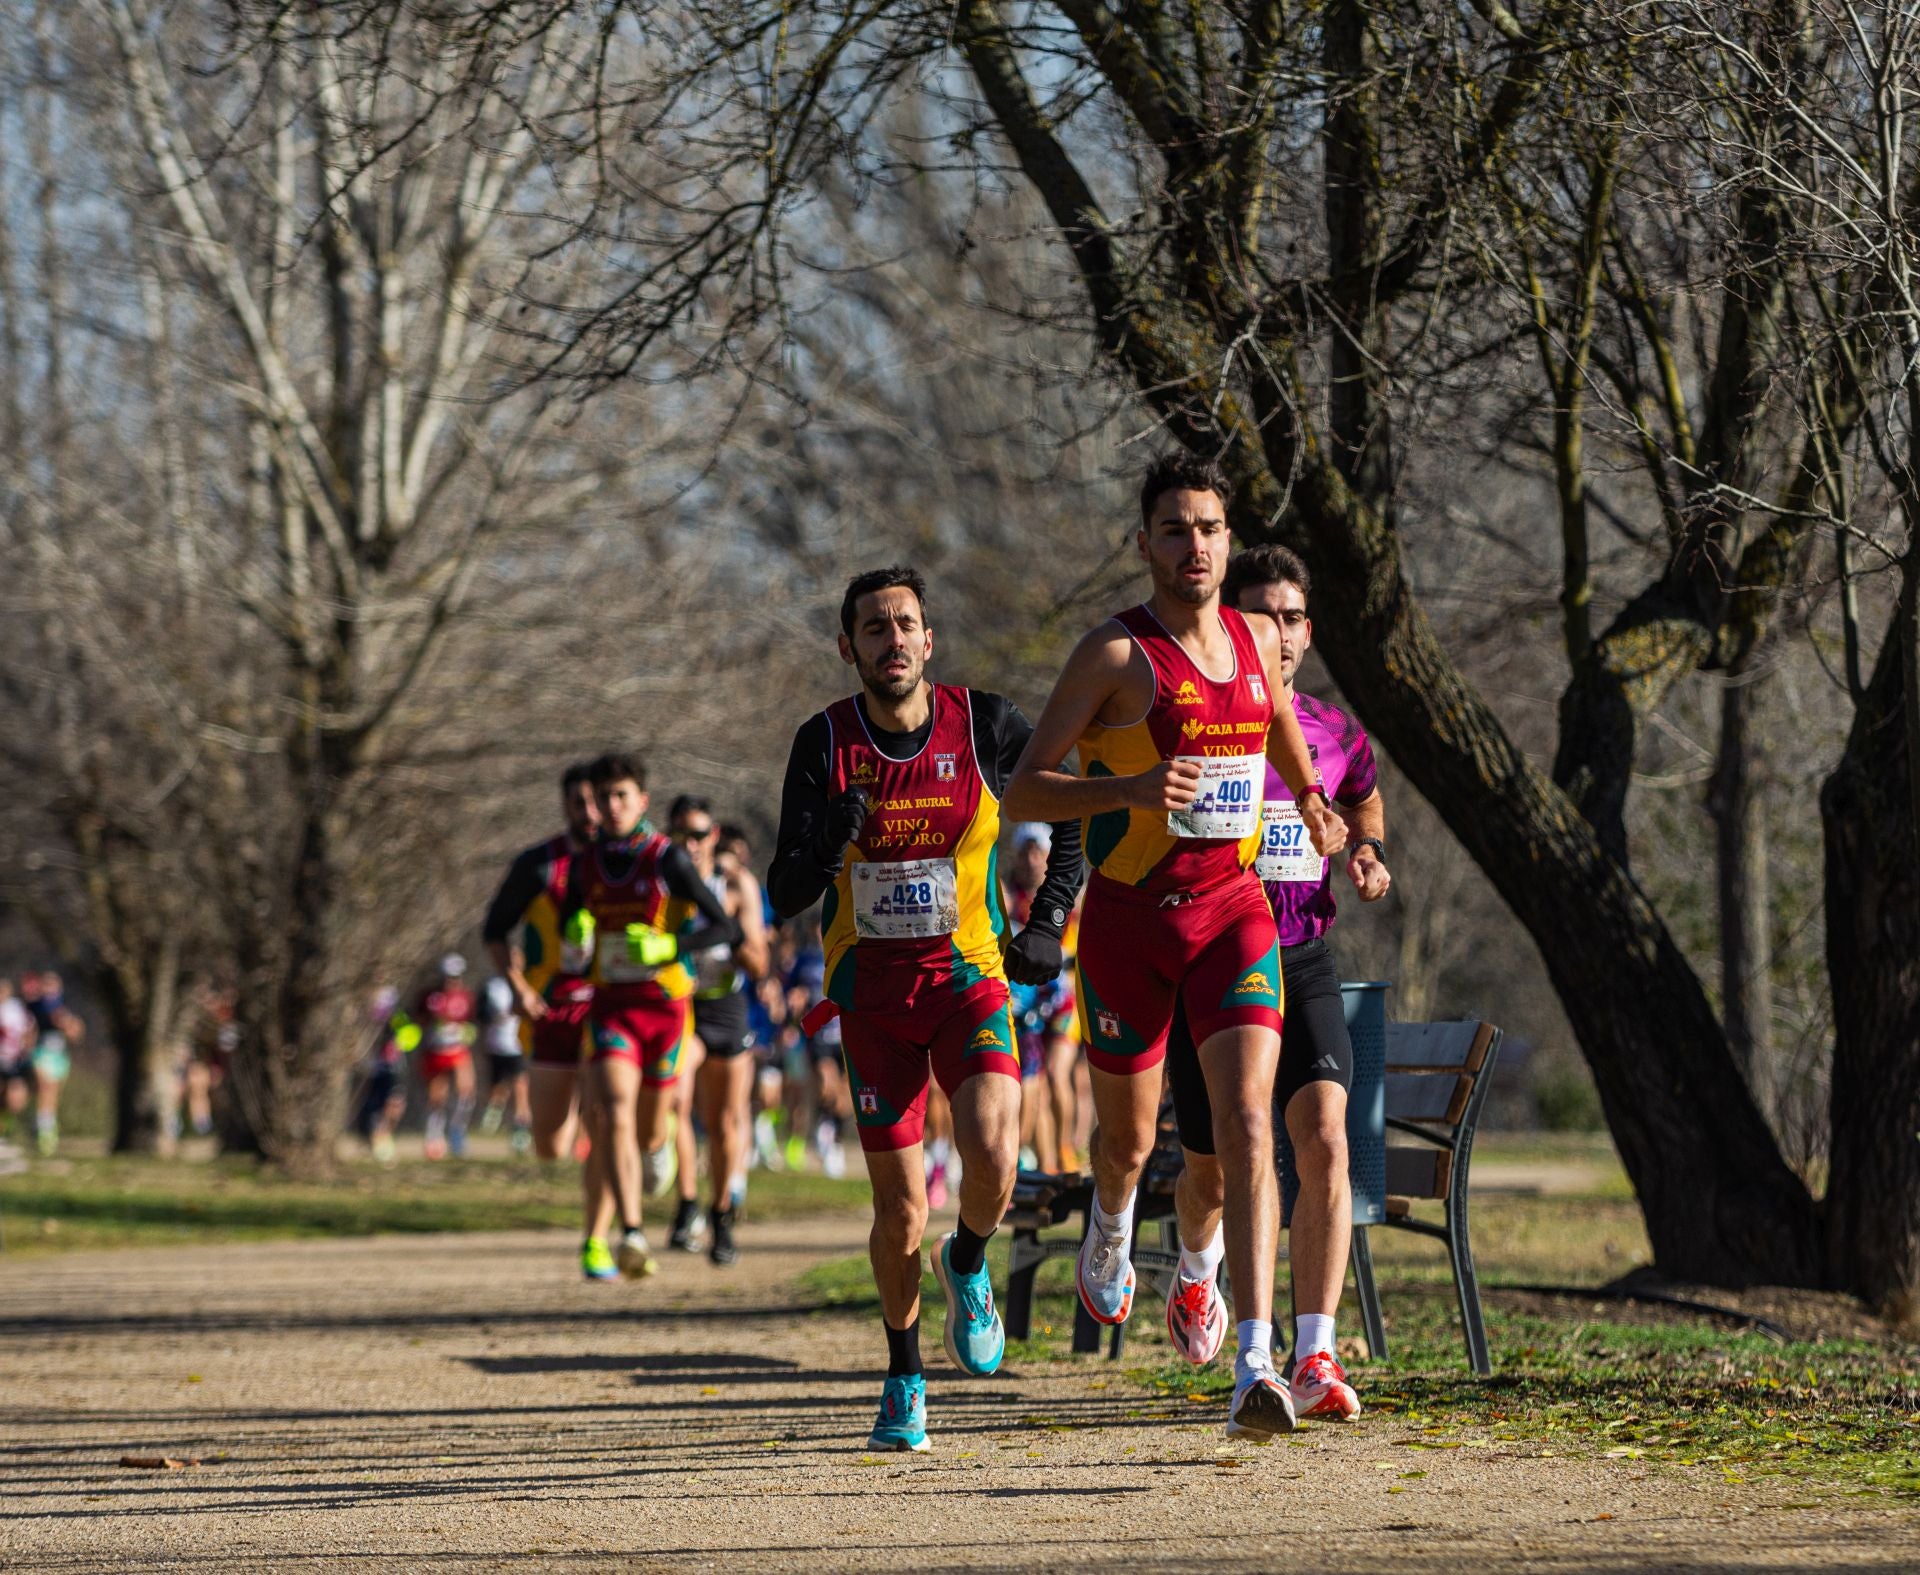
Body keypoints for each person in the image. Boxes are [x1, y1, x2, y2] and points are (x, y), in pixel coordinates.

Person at [1002, 453, 1345, 1439]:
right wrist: (1130, 789)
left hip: (1234, 911)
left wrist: (1312, 798)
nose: (1193, 545)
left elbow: (1275, 723)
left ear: (1228, 541)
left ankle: (1254, 1360)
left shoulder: (1254, 636)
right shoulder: (1115, 655)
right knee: (1128, 1143)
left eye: (1208, 528)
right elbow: (1024, 789)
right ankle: (1112, 1224)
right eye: (1174, 529)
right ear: (1144, 542)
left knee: (1247, 1123)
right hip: (1127, 921)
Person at [769, 565, 1083, 1452]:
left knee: (995, 1152)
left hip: (968, 979)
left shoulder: (984, 725)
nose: (893, 639)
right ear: (849, 648)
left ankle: (969, 1258)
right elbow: (782, 890)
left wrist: (1048, 919)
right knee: (901, 1207)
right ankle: (904, 1374)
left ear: (929, 638)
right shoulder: (823, 742)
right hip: (872, 1000)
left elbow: (1072, 807)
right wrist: (827, 839)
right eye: (874, 628)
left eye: (905, 623)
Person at [1161, 544, 1392, 1421]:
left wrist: (1366, 850)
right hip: (1217, 965)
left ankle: (1314, 1352)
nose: (1281, 634)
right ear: (1233, 626)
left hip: (1303, 957)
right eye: (1263, 617)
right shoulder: (1205, 724)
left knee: (1325, 1136)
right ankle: (1197, 1264)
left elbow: (1362, 797)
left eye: (1293, 618)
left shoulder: (1335, 731)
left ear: (1309, 630)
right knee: (1214, 1171)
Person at [560, 751, 737, 1281]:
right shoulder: (585, 864)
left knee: (648, 1134)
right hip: (612, 1009)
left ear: (642, 801)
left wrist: (669, 946)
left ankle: (658, 1144)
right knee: (612, 1110)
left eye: (622, 796)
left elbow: (724, 927)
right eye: (603, 798)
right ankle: (632, 1234)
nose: (612, 806)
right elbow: (572, 932)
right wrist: (576, 936)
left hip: (664, 1011)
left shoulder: (667, 859)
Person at [483, 763, 613, 1277]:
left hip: (609, 1005)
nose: (590, 813)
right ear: (565, 807)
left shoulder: (629, 862)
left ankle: (596, 1240)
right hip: (550, 1008)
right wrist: (517, 988)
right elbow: (494, 931)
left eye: (596, 801)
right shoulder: (538, 864)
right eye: (578, 803)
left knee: (606, 1119)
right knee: (551, 1145)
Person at [669, 799, 772, 1266]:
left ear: (713, 836)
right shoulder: (663, 883)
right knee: (676, 1099)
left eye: (698, 835)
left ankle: (722, 1214)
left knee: (725, 1123)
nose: (689, 845)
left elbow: (759, 963)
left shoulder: (735, 884)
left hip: (726, 1008)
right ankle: (687, 1202)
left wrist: (726, 933)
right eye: (680, 836)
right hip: (682, 1008)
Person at [1003, 822, 1083, 1173]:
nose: (1032, 860)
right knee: (1033, 1081)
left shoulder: (1072, 894)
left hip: (1064, 1000)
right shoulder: (1008, 896)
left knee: (1056, 1074)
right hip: (1028, 1001)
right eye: (1026, 852)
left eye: (1039, 852)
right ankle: (1045, 1163)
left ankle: (1065, 1151)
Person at [415, 955, 478, 1159]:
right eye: (448, 977)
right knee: (437, 1097)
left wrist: (465, 1031)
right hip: (436, 1051)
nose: (451, 981)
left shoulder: (466, 997)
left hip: (458, 1050)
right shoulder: (430, 997)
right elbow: (419, 1020)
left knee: (466, 1092)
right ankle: (434, 1137)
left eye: (456, 977)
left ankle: (457, 1132)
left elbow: (472, 1021)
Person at [23, 972, 77, 1158]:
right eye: (46, 985)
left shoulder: (63, 1008)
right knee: (44, 1089)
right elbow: (27, 1030)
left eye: (53, 985)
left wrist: (67, 1024)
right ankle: (43, 1130)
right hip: (40, 1054)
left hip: (59, 1056)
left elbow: (75, 1033)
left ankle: (46, 1127)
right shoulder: (34, 1007)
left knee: (53, 1094)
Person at [477, 974, 532, 1154]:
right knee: (499, 1091)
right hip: (496, 1047)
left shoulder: (528, 982)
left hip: (518, 1046)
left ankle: (520, 1131)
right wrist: (494, 1018)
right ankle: (495, 1111)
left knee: (520, 1088)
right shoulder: (492, 986)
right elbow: (480, 1014)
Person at [0, 977, 35, 1138]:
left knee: (15, 1099)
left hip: (15, 1059)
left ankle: (6, 1126)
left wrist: (27, 1047)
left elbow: (30, 1030)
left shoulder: (17, 1008)